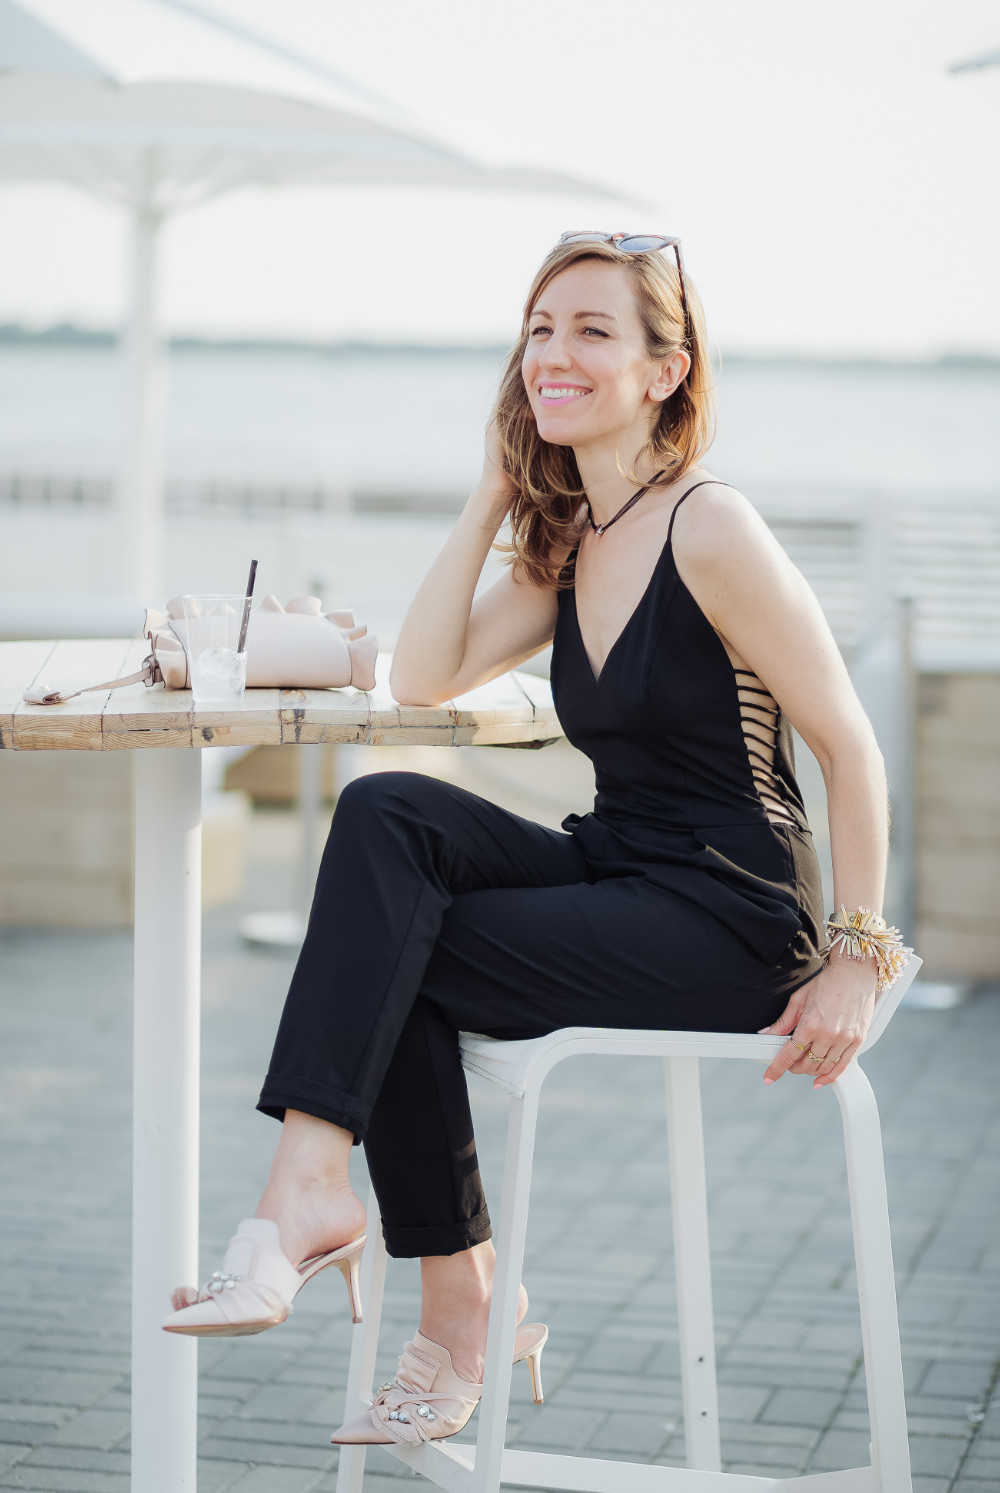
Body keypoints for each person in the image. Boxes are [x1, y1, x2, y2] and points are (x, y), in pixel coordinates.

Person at [162, 233, 906, 1447]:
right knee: (386, 812)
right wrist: (496, 492)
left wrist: (859, 956)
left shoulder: (710, 527)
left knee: (395, 952)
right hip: (620, 858)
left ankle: (417, 1275)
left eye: (593, 331)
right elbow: (426, 667)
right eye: (540, 327)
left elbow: (848, 744)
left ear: (667, 371)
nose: (553, 352)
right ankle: (344, 1216)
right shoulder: (576, 538)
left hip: (731, 915)